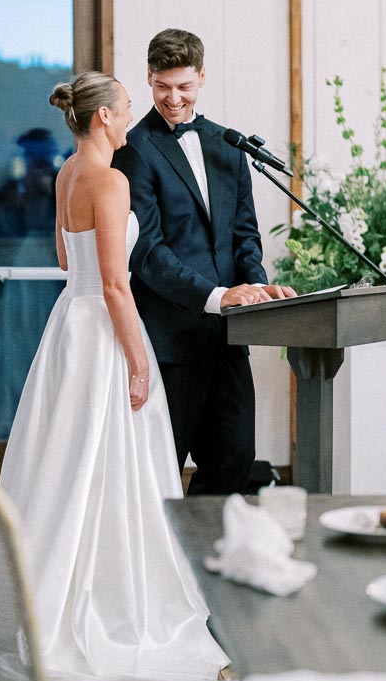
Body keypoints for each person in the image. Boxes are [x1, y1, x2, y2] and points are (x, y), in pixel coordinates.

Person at [0, 70, 226, 681]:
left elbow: (63, 258)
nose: (130, 118)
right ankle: (110, 597)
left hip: (67, 327)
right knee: (113, 465)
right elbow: (115, 282)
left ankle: (57, 581)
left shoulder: (65, 175)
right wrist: (136, 358)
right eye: (126, 108)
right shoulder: (111, 180)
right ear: (104, 118)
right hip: (101, 330)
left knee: (68, 461)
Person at [113, 28, 295, 495]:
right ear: (149, 79)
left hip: (229, 338)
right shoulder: (134, 149)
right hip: (169, 339)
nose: (173, 98)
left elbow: (244, 235)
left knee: (234, 459)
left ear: (202, 78)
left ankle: (204, 561)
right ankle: (161, 565)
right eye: (162, 86)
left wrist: (258, 290)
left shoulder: (227, 144)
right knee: (160, 467)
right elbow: (147, 251)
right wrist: (216, 297)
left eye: (183, 86)